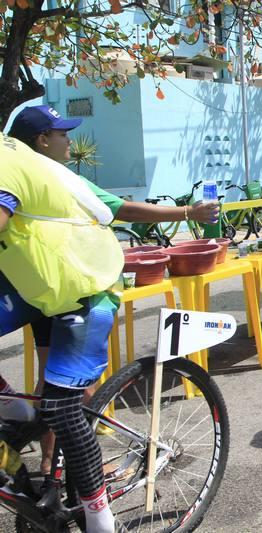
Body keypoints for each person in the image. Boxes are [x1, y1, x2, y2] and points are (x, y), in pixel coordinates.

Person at [8, 105, 219, 473]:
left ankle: (62, 464)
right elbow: (126, 211)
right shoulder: (50, 177)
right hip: (61, 289)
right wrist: (189, 213)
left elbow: (122, 210)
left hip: (55, 289)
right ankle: (62, 464)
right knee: (64, 387)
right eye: (62, 134)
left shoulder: (41, 177)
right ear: (42, 140)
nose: (69, 140)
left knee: (61, 387)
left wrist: (188, 213)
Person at [0, 133, 120, 531]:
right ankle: (13, 408)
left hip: (83, 285)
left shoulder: (4, 162)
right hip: (35, 283)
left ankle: (99, 519)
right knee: (35, 412)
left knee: (60, 408)